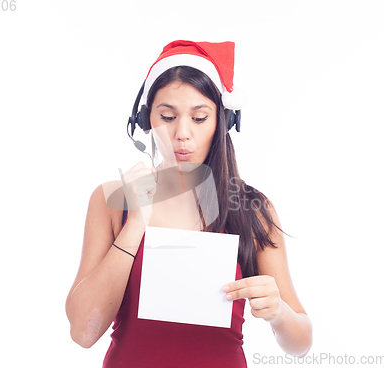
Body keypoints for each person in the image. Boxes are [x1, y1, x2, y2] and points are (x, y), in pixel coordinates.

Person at [65, 40, 312, 367]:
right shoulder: (113, 201)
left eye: (199, 118)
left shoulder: (251, 208)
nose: (183, 133)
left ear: (222, 122)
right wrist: (136, 223)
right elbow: (84, 332)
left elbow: (301, 344)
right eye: (167, 116)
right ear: (145, 119)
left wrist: (279, 311)